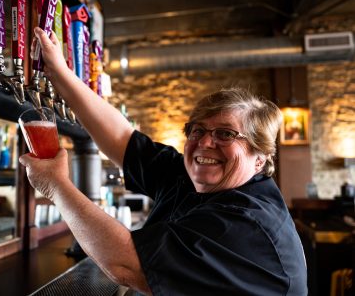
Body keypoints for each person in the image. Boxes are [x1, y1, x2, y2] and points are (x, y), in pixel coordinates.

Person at [19, 28, 308, 296]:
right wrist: (60, 73)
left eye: (225, 133)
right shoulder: (195, 178)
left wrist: (56, 185)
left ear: (260, 159)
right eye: (197, 130)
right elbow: (123, 139)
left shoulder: (246, 223)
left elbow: (126, 265)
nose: (205, 142)